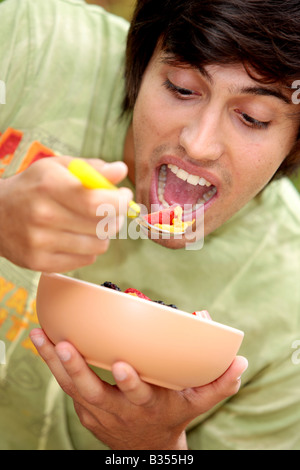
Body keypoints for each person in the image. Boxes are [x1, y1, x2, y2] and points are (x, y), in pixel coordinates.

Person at [0, 0, 299, 450]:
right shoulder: (26, 41)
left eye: (253, 117)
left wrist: (153, 448)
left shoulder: (289, 307)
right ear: (139, 63)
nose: (198, 145)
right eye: (181, 88)